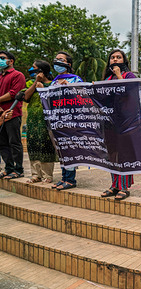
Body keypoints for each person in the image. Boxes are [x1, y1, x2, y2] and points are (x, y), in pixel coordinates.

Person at [100, 49, 137, 200]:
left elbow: (130, 94)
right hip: (109, 122)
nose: (115, 60)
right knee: (112, 154)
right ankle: (114, 185)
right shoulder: (107, 79)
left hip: (125, 122)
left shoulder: (129, 76)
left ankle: (124, 187)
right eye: (112, 58)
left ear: (124, 61)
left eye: (118, 57)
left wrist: (119, 76)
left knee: (123, 154)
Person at [50, 51, 83, 191]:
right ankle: (63, 177)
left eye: (61, 60)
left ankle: (70, 179)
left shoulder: (76, 79)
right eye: (56, 59)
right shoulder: (53, 81)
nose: (57, 62)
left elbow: (83, 98)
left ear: (68, 64)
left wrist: (69, 87)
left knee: (70, 149)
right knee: (61, 149)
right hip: (57, 120)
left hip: (72, 120)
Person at [23, 60, 58, 184]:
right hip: (33, 119)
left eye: (34, 68)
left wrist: (44, 89)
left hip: (47, 120)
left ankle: (47, 175)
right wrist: (36, 83)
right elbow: (26, 97)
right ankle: (35, 174)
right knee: (33, 145)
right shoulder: (30, 83)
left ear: (42, 71)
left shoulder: (54, 84)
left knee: (46, 146)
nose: (32, 70)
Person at [0, 51, 26, 180]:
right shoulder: (0, 76)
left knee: (14, 142)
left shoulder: (18, 75)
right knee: (2, 143)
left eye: (2, 58)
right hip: (0, 115)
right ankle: (8, 168)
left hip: (13, 113)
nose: (0, 60)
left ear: (11, 61)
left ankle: (18, 169)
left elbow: (13, 93)